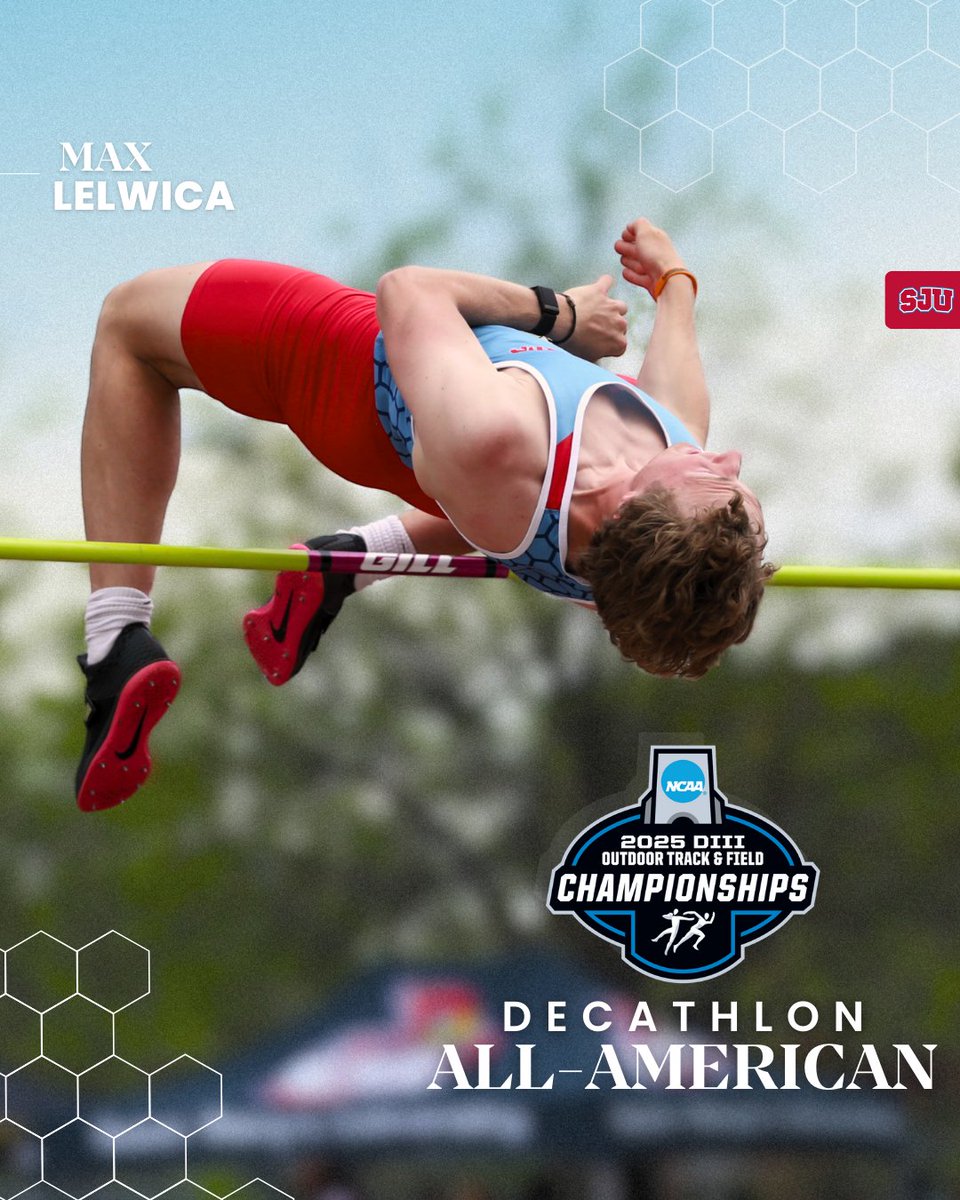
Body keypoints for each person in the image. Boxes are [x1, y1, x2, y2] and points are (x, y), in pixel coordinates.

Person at [75, 218, 771, 811]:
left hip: (344, 368)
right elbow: (680, 417)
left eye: (716, 482)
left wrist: (560, 315)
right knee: (500, 505)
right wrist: (673, 278)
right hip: (467, 470)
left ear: (641, 511)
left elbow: (408, 291)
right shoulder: (649, 513)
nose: (727, 461)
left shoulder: (501, 440)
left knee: (128, 322)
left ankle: (115, 642)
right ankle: (349, 559)